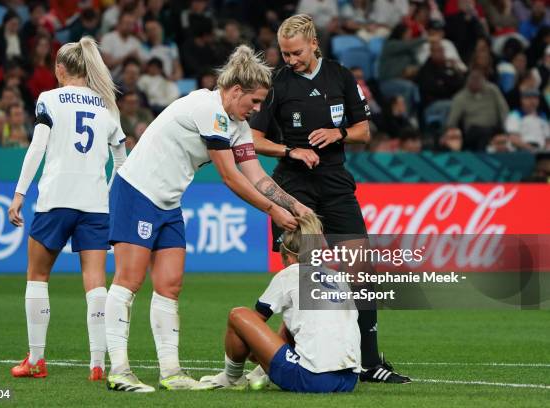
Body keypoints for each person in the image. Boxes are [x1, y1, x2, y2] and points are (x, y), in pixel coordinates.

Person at [104, 44, 311, 393]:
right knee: (129, 281)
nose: (257, 109)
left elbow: (257, 177)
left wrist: (293, 204)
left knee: (170, 285)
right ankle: (119, 370)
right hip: (135, 193)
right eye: (254, 101)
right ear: (233, 91)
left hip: (168, 203)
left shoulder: (238, 125)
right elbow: (231, 177)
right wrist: (272, 210)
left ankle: (170, 373)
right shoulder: (209, 109)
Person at [249, 14, 411, 384]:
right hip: (293, 187)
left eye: (296, 53)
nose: (290, 60)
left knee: (361, 270)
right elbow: (254, 140)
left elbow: (363, 131)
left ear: (314, 43)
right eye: (285, 53)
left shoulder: (340, 76)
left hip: (336, 182)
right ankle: (293, 357)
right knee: (298, 276)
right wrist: (291, 150)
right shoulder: (276, 82)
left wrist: (337, 133)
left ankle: (369, 362)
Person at [7, 37, 128, 382]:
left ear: (60, 68)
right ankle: (97, 365)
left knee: (38, 276)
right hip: (94, 205)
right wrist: (105, 193)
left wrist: (19, 194)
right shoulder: (107, 106)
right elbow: (122, 162)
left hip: (55, 200)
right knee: (95, 283)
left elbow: (37, 147)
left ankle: (36, 360)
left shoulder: (49, 99)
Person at [199, 213, 361, 392]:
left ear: (289, 257)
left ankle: (231, 378)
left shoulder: (290, 273)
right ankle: (260, 374)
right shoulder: (337, 277)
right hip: (349, 381)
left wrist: (256, 352)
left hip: (313, 380)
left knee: (238, 315)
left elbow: (253, 322)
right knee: (294, 319)